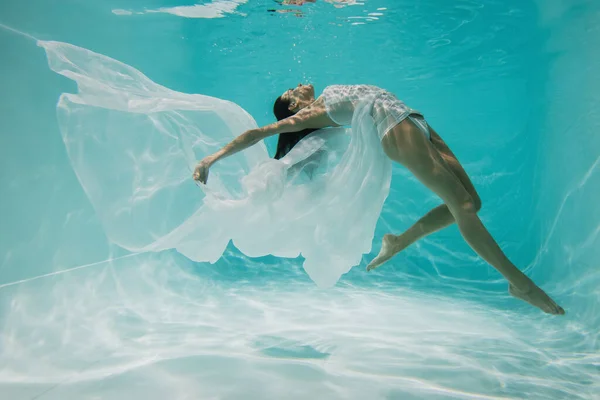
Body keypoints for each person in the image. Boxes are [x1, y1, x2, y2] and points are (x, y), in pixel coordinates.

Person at [193, 83, 565, 315]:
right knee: (463, 207)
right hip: (395, 129)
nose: (297, 84)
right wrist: (212, 158)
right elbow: (258, 133)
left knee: (472, 201)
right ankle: (519, 283)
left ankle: (399, 241)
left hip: (413, 118)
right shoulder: (312, 114)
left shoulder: (325, 97)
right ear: (293, 107)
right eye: (290, 93)